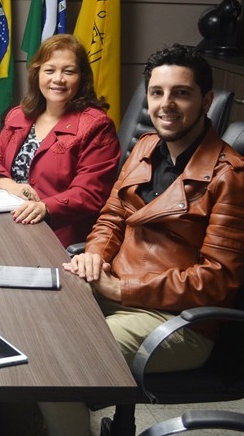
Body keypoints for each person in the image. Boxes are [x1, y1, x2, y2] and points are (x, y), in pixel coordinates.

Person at [53, 44, 244, 436]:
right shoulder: (144, 147)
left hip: (178, 321)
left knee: (57, 358)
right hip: (114, 288)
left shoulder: (231, 176)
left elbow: (217, 279)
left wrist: (122, 289)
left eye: (181, 93)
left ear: (206, 100)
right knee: (24, 324)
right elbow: (111, 217)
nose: (165, 104)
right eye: (157, 93)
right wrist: (94, 255)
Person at [0, 34, 121, 247]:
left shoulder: (97, 126)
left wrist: (44, 207)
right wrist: (10, 186)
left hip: (56, 237)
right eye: (49, 70)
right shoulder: (20, 116)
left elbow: (89, 193)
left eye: (68, 71)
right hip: (8, 224)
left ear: (82, 77)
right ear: (38, 75)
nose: (58, 79)